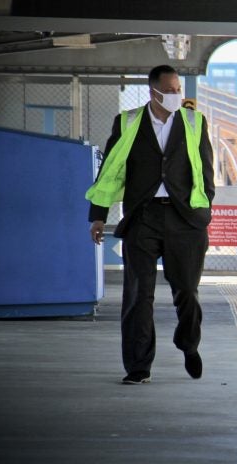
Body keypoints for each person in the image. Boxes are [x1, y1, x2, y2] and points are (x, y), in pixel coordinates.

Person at [86, 65, 215, 385]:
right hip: (142, 218)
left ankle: (188, 343)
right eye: (169, 90)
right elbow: (111, 170)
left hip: (185, 220)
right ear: (153, 91)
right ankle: (138, 366)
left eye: (177, 90)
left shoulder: (194, 122)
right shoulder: (127, 122)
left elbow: (207, 173)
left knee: (187, 290)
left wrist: (203, 210)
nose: (175, 96)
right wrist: (98, 215)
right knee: (137, 295)